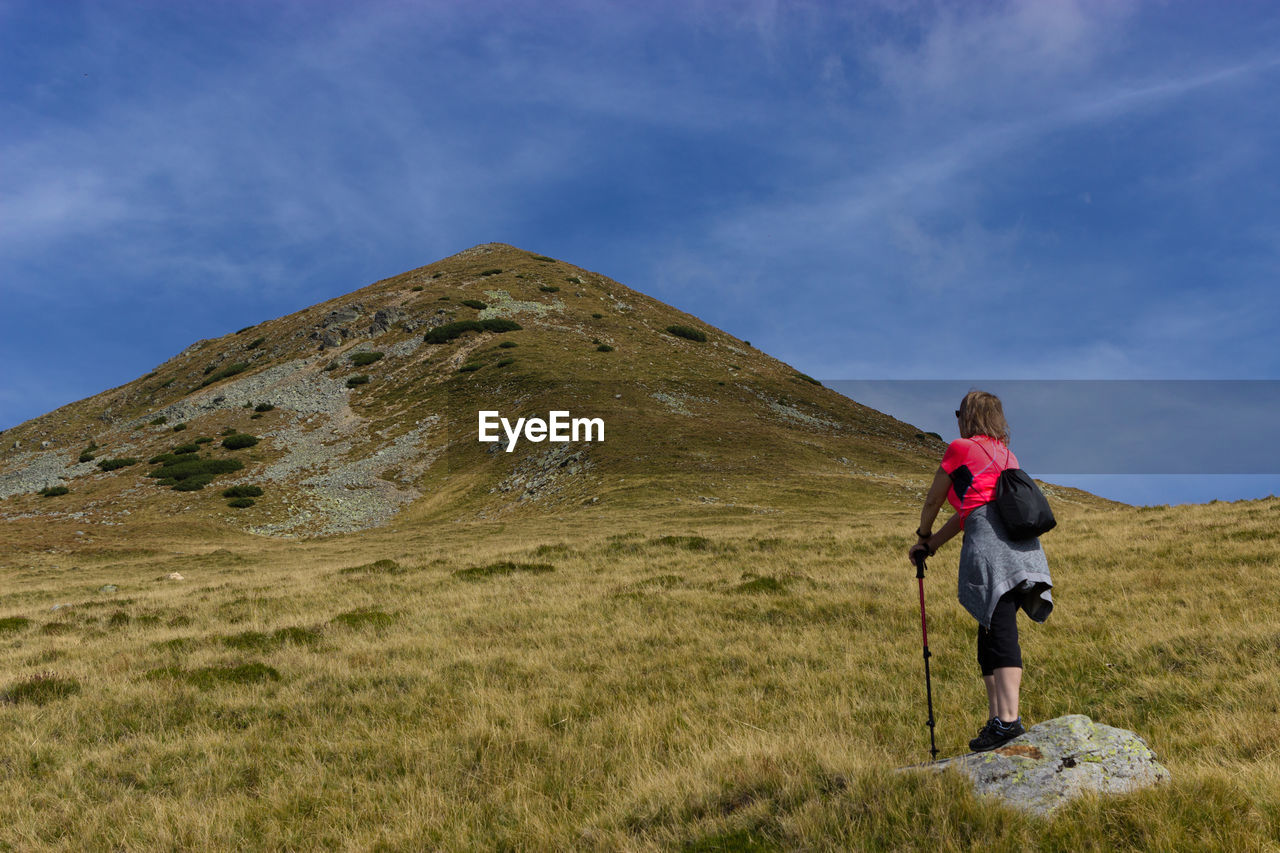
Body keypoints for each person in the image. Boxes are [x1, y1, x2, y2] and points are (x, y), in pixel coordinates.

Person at [908, 390, 1054, 752]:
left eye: (959, 413)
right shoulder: (1007, 454)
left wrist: (923, 535)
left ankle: (1008, 720)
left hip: (991, 546)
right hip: (1025, 549)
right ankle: (998, 720)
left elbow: (933, 499)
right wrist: (935, 545)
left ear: (967, 416)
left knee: (1000, 630)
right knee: (990, 631)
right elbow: (964, 514)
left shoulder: (960, 448)